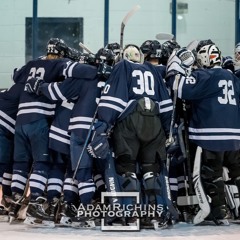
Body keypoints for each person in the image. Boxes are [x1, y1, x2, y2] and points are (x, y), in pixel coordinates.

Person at [24, 47, 116, 227]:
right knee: (88, 172)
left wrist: (39, 86)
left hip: (77, 128)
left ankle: (76, 209)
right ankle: (76, 208)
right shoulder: (115, 80)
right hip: (101, 131)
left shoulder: (85, 77)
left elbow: (57, 92)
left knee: (79, 172)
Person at [9, 37, 97, 224]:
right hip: (39, 120)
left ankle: (14, 200)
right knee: (43, 163)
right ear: (62, 53)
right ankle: (36, 203)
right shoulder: (60, 63)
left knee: (20, 162)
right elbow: (86, 71)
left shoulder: (33, 63)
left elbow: (16, 76)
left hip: (20, 122)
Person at [87, 44, 174, 229]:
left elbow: (113, 101)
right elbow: (166, 104)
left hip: (129, 124)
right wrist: (167, 131)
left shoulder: (122, 67)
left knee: (127, 168)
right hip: (155, 123)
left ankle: (131, 214)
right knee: (152, 169)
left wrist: (103, 126)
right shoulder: (152, 69)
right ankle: (155, 215)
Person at [166, 44, 240, 225]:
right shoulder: (231, 76)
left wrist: (175, 65)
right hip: (235, 135)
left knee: (211, 174)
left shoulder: (205, 76)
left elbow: (180, 88)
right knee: (236, 173)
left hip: (210, 134)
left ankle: (219, 213)